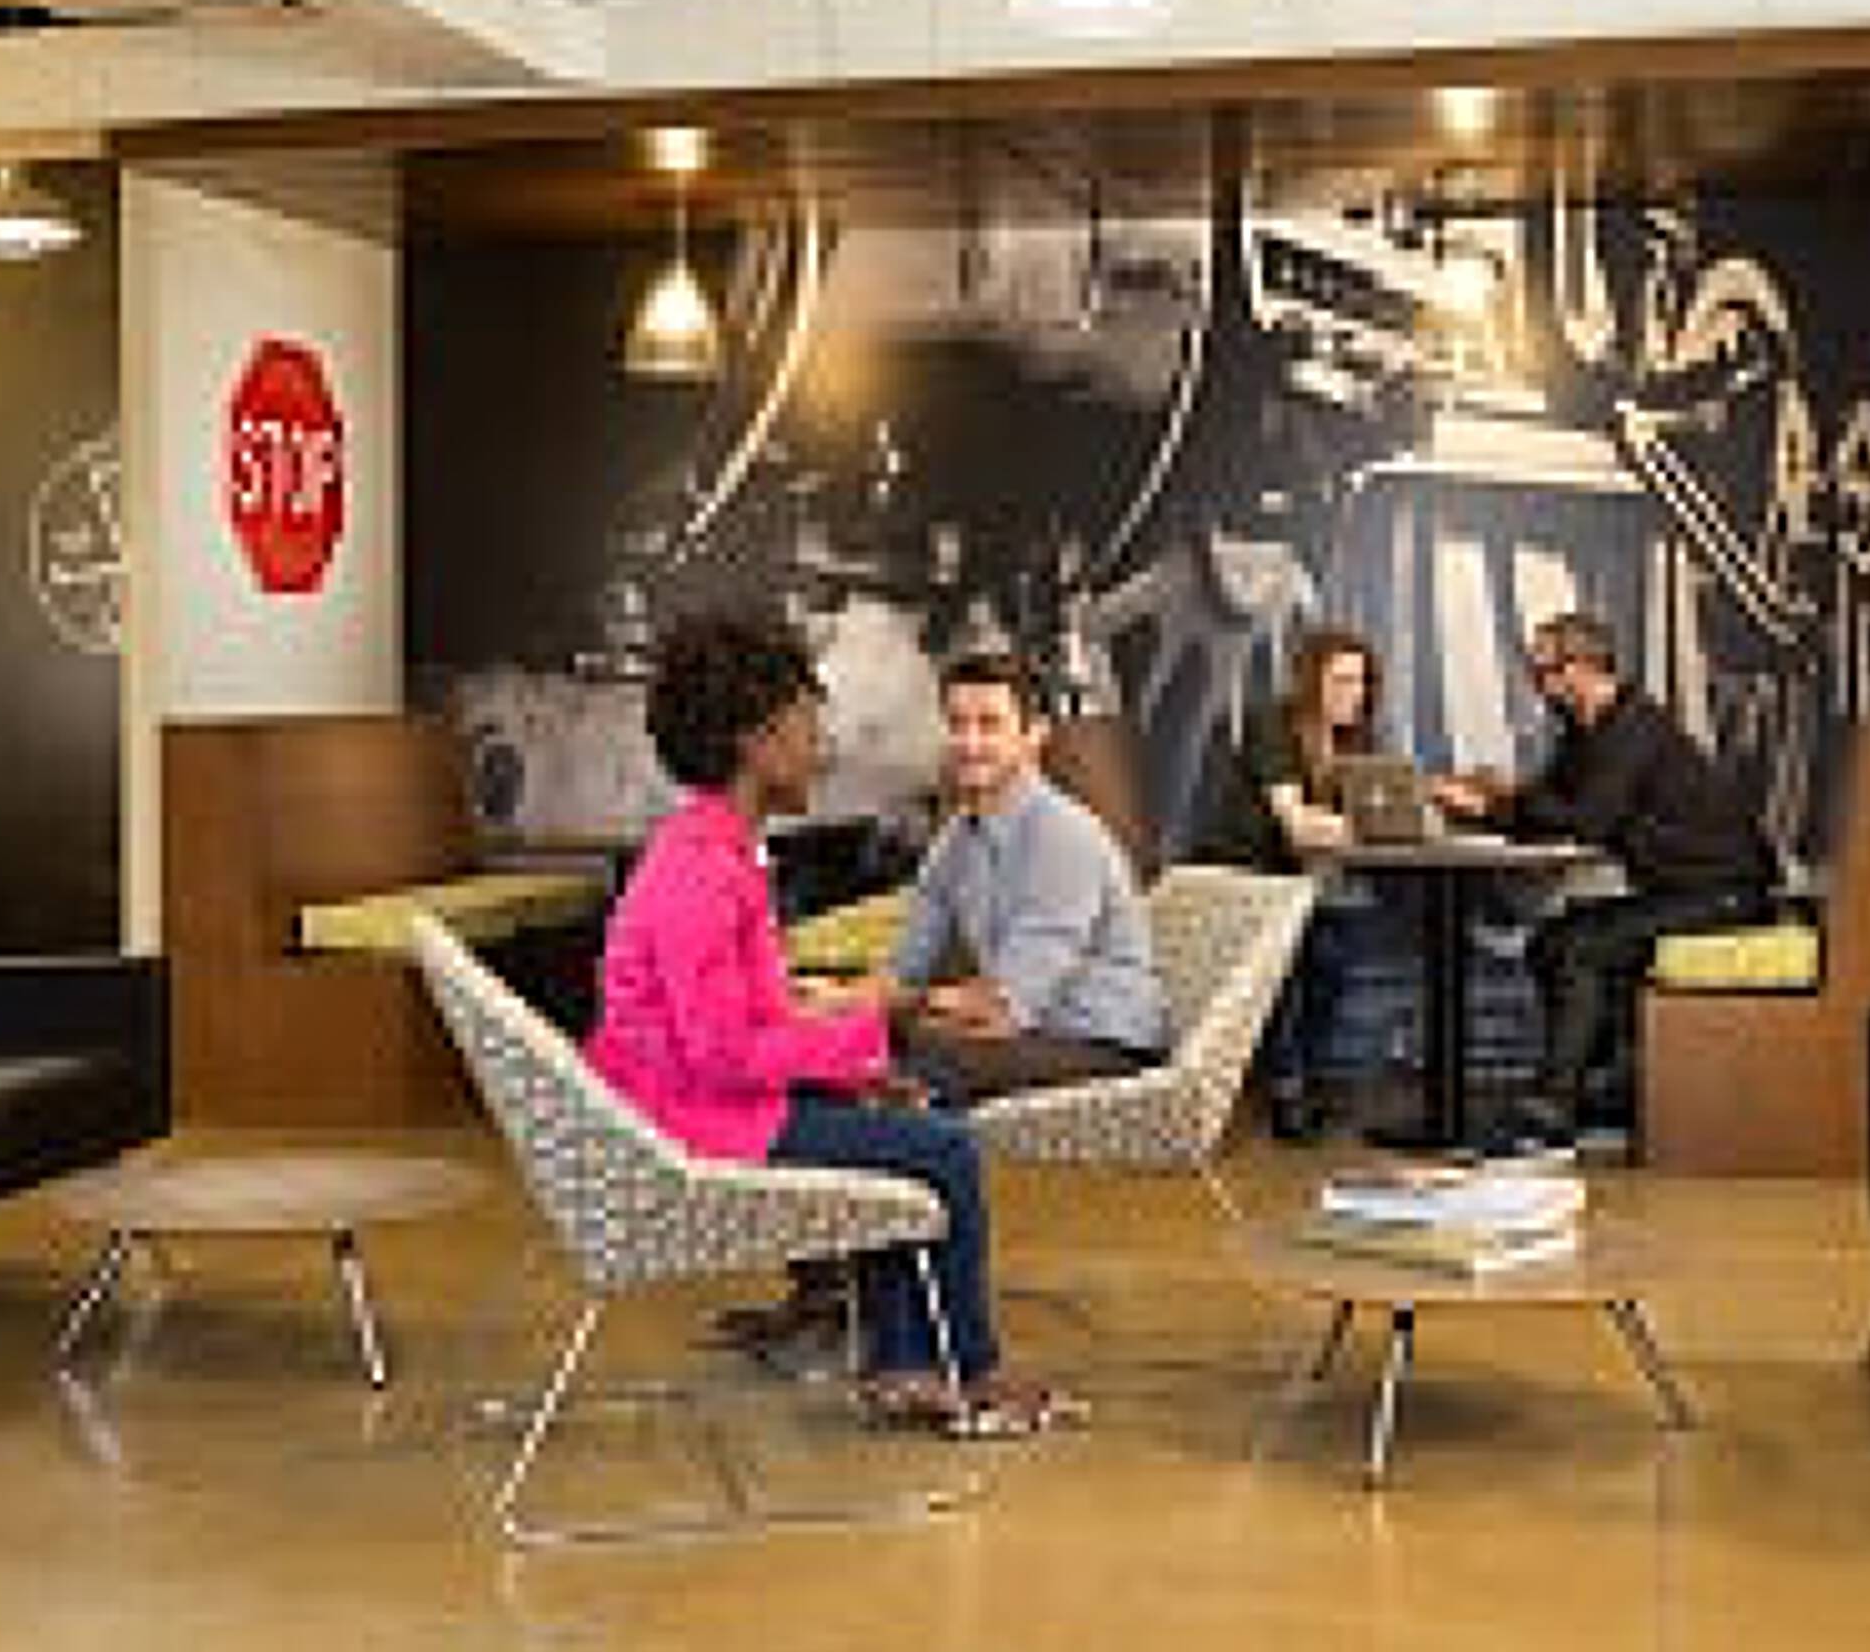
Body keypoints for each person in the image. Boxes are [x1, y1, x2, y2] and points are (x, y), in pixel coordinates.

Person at [585, 613, 1075, 1436]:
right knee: (946, 1150)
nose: (822, 750)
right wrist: (863, 1046)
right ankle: (966, 1371)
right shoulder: (700, 870)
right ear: (758, 742)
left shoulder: (715, 847)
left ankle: (906, 1364)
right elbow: (723, 1052)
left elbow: (751, 1018)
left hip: (695, 1104)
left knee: (907, 1120)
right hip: (692, 1123)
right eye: (809, 728)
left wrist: (859, 1073)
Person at [1442, 612, 1778, 1149]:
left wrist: (1498, 806)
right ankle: (1593, 1088)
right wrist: (1491, 799)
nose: (1536, 684)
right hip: (1682, 891)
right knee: (1551, 942)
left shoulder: (1633, 728)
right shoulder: (1584, 731)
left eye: (1543, 670)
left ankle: (1554, 1109)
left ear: (1580, 668)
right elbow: (1549, 801)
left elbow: (1587, 821)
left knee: (1579, 946)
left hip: (1725, 894)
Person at [887, 650, 1167, 1107]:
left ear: (1034, 734)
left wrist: (900, 1005)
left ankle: (913, 1143)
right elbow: (903, 969)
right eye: (957, 724)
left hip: (1103, 1043)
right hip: (1026, 1028)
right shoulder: (957, 838)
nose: (968, 743)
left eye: (989, 725)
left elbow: (1003, 1008)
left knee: (924, 1060)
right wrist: (834, 1002)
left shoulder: (1063, 838)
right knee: (863, 1040)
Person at [1199, 626, 1406, 1142]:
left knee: (1332, 956)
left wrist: (1402, 816)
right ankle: (1287, 1090)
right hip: (1252, 879)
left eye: (1361, 682)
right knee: (1292, 967)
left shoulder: (1357, 738)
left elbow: (1371, 809)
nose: (1354, 694)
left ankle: (1307, 1082)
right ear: (1312, 683)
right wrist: (1376, 826)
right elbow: (1297, 824)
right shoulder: (1275, 724)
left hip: (1304, 883)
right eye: (1341, 681)